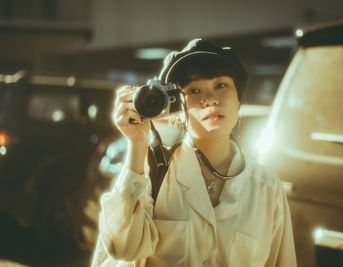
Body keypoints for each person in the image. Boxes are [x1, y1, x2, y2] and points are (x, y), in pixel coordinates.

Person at [91, 38, 297, 267]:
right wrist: (137, 143)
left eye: (221, 85)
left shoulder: (266, 186)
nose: (210, 99)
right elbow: (124, 248)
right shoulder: (152, 174)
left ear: (239, 99)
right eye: (194, 90)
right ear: (176, 108)